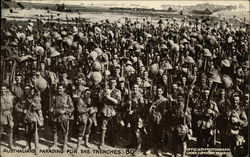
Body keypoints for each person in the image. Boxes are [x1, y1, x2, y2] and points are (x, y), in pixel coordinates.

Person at [16, 84, 43, 155]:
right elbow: (16, 107)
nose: (26, 90)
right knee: (27, 132)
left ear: (31, 90)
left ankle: (36, 148)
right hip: (26, 117)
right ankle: (28, 145)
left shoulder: (36, 98)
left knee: (35, 132)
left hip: (34, 117)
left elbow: (39, 107)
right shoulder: (22, 98)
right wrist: (22, 111)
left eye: (28, 89)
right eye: (25, 89)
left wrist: (34, 105)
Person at [49, 84, 74, 152]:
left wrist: (65, 111)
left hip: (63, 117)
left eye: (60, 88)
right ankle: (54, 144)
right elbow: (51, 105)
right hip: (55, 116)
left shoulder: (67, 97)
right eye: (58, 88)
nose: (59, 90)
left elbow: (72, 107)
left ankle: (64, 145)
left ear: (64, 89)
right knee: (55, 130)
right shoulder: (54, 97)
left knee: (64, 131)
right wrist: (51, 109)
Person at [99, 78, 121, 149]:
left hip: (113, 110)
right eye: (111, 82)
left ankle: (112, 142)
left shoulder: (117, 91)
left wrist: (109, 98)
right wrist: (102, 94)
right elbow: (100, 100)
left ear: (116, 83)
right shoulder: (105, 90)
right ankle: (102, 142)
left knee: (113, 127)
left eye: (114, 82)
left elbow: (118, 102)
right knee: (103, 127)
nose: (112, 83)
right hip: (105, 110)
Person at [148, 86, 168, 156]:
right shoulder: (154, 99)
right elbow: (150, 108)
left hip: (160, 119)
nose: (158, 92)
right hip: (153, 118)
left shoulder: (165, 100)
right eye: (157, 91)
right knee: (152, 133)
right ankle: (152, 148)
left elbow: (166, 111)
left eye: (160, 91)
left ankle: (159, 149)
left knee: (160, 134)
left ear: (162, 92)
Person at [0, 84, 15, 149]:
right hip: (1, 115)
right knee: (0, 130)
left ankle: (10, 144)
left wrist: (10, 116)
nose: (3, 90)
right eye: (2, 89)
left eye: (4, 89)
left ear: (6, 90)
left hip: (8, 115)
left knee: (10, 130)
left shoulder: (10, 97)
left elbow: (12, 106)